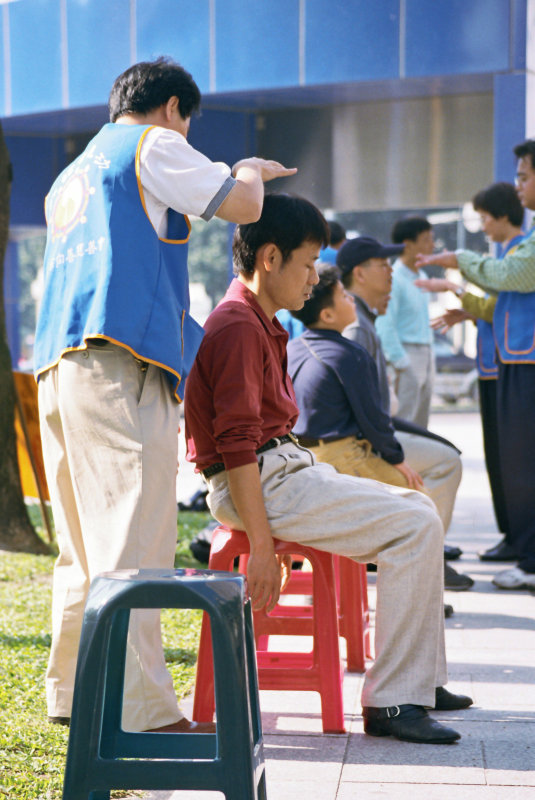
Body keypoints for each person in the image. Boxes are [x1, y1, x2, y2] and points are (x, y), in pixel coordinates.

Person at [34, 57, 297, 733]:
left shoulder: (73, 174)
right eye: (187, 121)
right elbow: (241, 207)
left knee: (81, 545)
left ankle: (71, 692)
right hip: (122, 365)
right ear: (173, 107)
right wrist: (247, 170)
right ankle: (142, 712)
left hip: (57, 367)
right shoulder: (152, 143)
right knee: (133, 541)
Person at [185, 193, 472, 745]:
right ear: (270, 258)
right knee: (415, 526)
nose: (314, 276)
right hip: (260, 478)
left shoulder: (258, 319)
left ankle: (420, 681)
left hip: (282, 468)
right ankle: (392, 702)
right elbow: (239, 445)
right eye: (308, 262)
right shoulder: (238, 325)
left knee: (417, 508)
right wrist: (264, 550)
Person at [416, 139, 535, 591]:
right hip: (514, 359)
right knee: (513, 461)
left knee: (523, 463)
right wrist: (463, 297)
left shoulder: (521, 250)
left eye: (524, 176)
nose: (520, 185)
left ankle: (529, 557)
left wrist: (454, 267)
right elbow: (497, 302)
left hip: (524, 361)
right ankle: (522, 545)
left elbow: (510, 279)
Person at [337, 237, 472, 590]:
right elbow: (360, 409)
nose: (391, 274)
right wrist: (393, 455)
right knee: (444, 464)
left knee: (444, 453)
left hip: (367, 436)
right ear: (359, 274)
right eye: (383, 265)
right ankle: (423, 567)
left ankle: (422, 559)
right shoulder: (354, 326)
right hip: (355, 445)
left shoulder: (364, 319)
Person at [375, 218, 436, 427]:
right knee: (403, 421)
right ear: (408, 245)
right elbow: (385, 323)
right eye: (426, 240)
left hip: (427, 353)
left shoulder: (423, 275)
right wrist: (400, 361)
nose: (432, 245)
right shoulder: (395, 278)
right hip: (406, 353)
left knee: (421, 422)